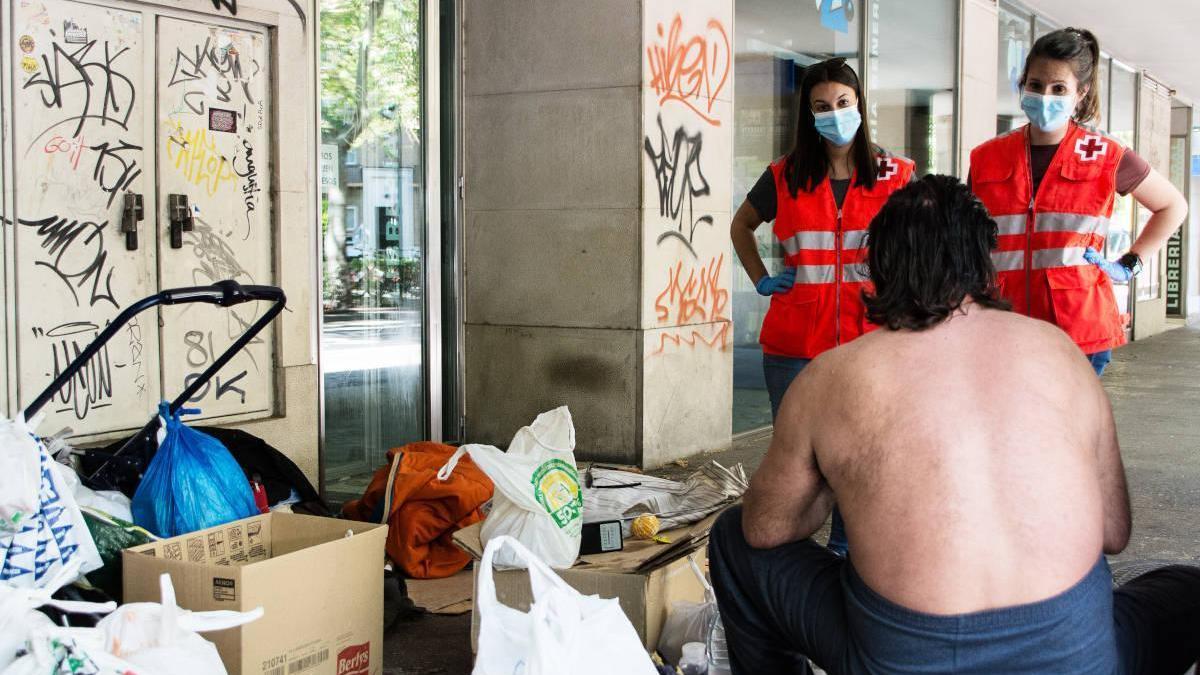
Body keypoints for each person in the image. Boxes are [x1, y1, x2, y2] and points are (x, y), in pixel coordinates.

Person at [708, 175, 1200, 674]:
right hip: (1076, 659)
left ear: (876, 269)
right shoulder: (1061, 353)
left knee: (732, 540)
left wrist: (843, 484)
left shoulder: (829, 377)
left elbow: (764, 528)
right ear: (986, 264)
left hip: (902, 659)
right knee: (1187, 590)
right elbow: (1114, 531)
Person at [730, 57, 914, 556]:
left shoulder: (898, 175)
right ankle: (789, 561)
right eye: (821, 106)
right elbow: (740, 226)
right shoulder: (784, 176)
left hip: (868, 347)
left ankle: (844, 555)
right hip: (793, 345)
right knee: (795, 465)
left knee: (857, 462)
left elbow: (923, 243)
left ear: (859, 105)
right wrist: (762, 280)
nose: (834, 114)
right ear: (808, 115)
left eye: (843, 103)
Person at [969, 27, 1187, 377]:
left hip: (1077, 328)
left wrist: (1131, 263)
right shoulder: (987, 157)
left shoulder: (1106, 155)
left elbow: (1173, 206)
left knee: (1066, 429)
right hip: (1004, 323)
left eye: (1059, 89)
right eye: (1036, 85)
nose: (1044, 96)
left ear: (1081, 93)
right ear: (1023, 82)